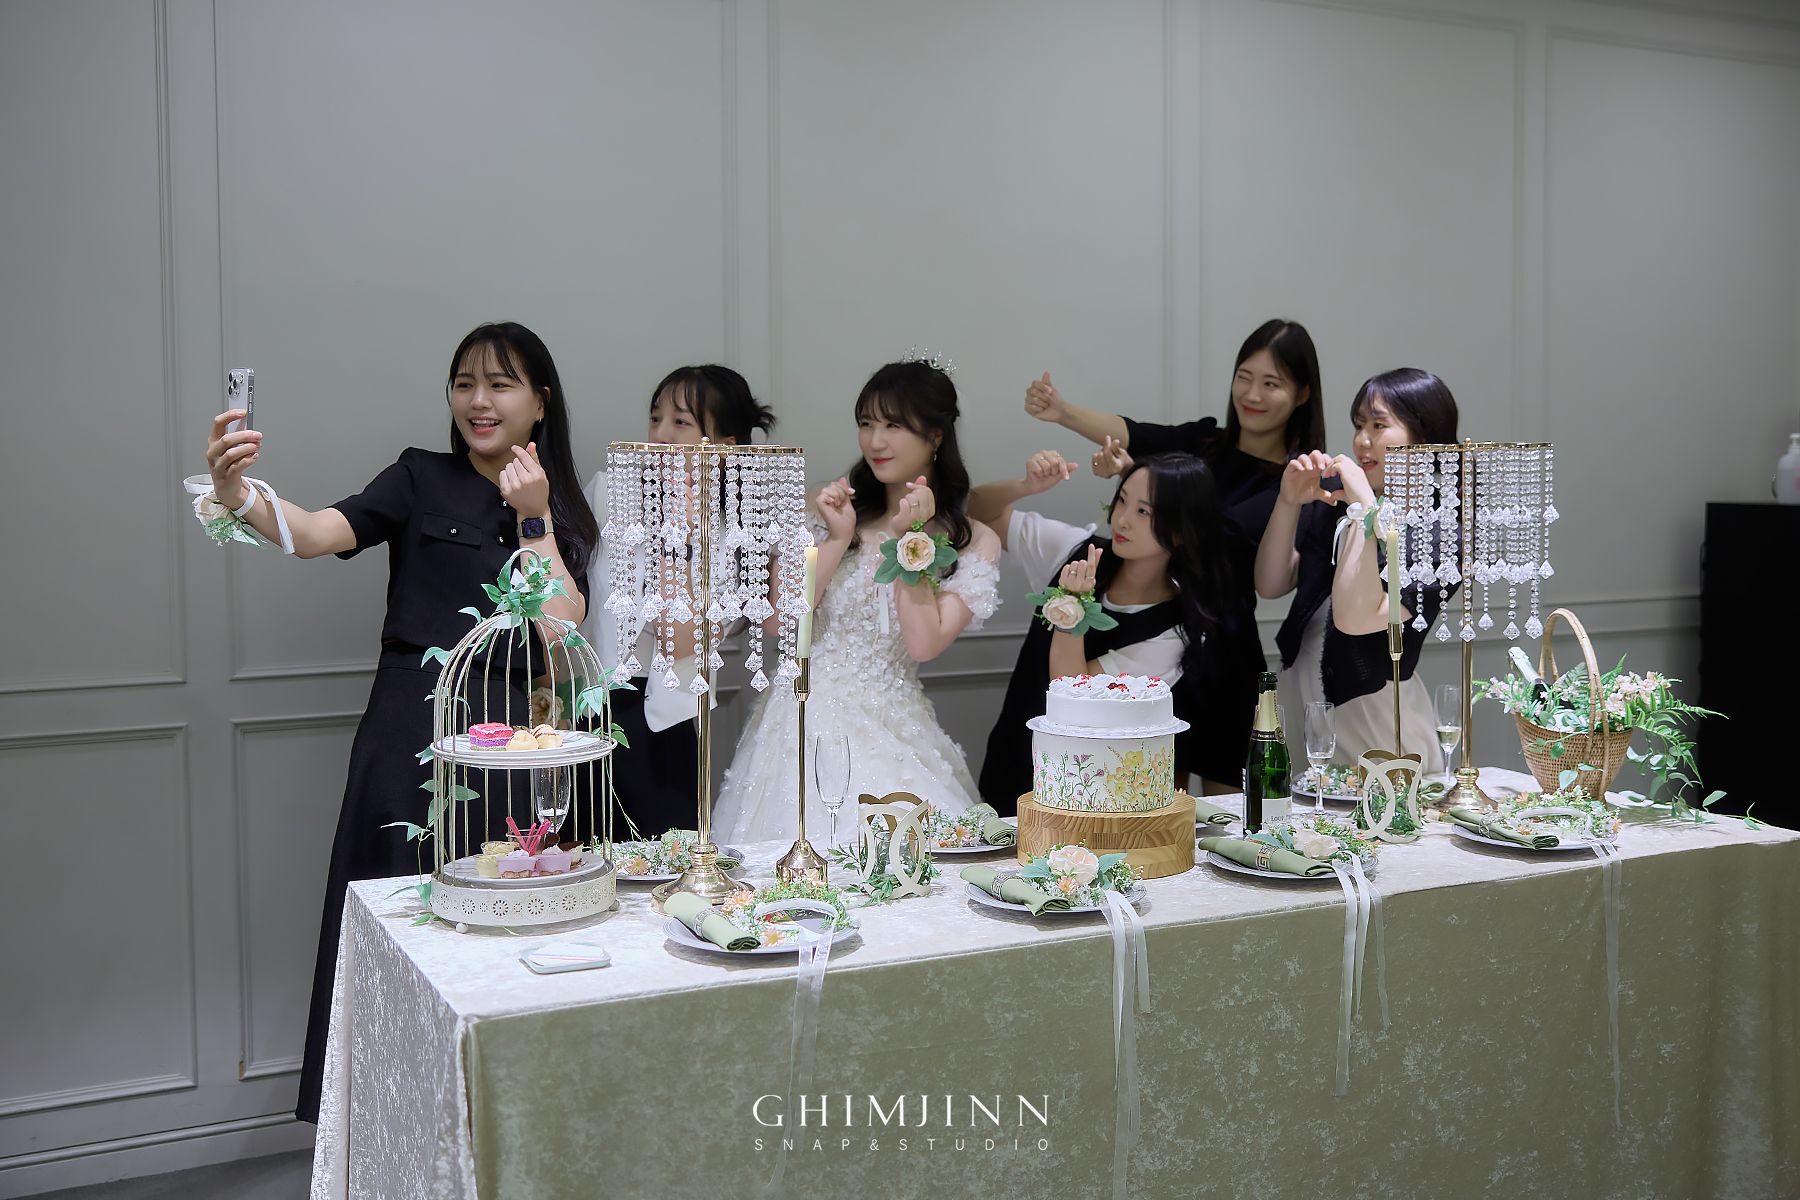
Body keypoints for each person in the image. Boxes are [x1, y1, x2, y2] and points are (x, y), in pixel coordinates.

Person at [202, 321, 596, 1124]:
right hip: (409, 730)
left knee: (498, 923)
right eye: (465, 384)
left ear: (540, 401)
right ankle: (383, 1123)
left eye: (500, 384)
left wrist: (534, 518)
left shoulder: (561, 510)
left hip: (512, 748)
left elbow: (560, 633)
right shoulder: (419, 476)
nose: (478, 401)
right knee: (398, 923)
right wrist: (239, 495)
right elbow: (317, 534)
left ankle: (489, 1120)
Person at [711, 357, 1001, 845]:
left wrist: (910, 539)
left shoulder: (974, 540)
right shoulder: (825, 508)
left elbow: (924, 643)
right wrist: (837, 538)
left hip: (894, 726)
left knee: (902, 864)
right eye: (866, 424)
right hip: (799, 717)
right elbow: (779, 622)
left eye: (893, 425)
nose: (875, 441)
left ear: (935, 436)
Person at [969, 450, 1260, 811]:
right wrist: (1024, 486)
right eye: (1122, 500)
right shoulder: (1074, 550)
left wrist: (1073, 607)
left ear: (1182, 530)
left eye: (1143, 512)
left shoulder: (1174, 633)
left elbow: (1073, 696)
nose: (1121, 520)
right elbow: (971, 511)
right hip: (1011, 762)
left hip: (1080, 795)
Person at [579, 365, 775, 839]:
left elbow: (682, 646)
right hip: (587, 710)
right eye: (655, 418)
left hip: (662, 722)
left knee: (665, 868)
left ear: (724, 446)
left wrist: (678, 541)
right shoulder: (609, 492)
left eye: (681, 422)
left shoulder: (735, 535)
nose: (660, 434)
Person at [1253, 367, 1459, 773]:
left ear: (1424, 436)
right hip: (1302, 695)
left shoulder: (1441, 529)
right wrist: (1289, 501)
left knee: (1376, 810)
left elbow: (1355, 618)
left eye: (1378, 425)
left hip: (1373, 712)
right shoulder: (1340, 500)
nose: (1362, 440)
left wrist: (1365, 508)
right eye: (1359, 424)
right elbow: (1270, 584)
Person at [1021, 318, 1325, 570]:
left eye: (1270, 384)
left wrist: (1134, 478)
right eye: (1244, 377)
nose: (1252, 395)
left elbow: (1209, 533)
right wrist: (1063, 412)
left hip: (1211, 617)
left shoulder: (1291, 485)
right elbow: (1136, 434)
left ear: (1302, 394)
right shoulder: (1203, 439)